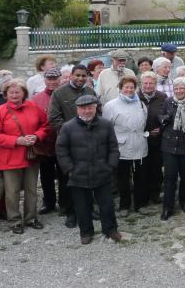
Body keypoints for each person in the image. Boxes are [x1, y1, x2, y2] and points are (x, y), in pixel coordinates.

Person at [55, 94, 121, 244]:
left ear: (96, 108)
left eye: (90, 108)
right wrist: (70, 169)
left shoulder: (106, 124)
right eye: (83, 108)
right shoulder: (68, 127)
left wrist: (110, 166)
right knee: (82, 206)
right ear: (78, 110)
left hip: (102, 172)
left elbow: (113, 148)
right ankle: (86, 232)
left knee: (107, 205)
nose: (87, 111)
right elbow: (61, 150)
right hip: (78, 175)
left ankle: (110, 230)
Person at [0, 78, 50, 234]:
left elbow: (45, 126)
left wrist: (37, 136)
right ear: (6, 94)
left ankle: (31, 217)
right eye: (11, 92)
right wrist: (17, 140)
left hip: (31, 155)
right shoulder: (0, 110)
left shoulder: (33, 106)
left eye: (18, 92)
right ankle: (14, 220)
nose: (14, 95)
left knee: (31, 189)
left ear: (24, 93)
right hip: (10, 156)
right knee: (12, 191)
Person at [48, 64, 97, 228]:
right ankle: (70, 211)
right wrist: (74, 133)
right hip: (68, 144)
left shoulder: (90, 92)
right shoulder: (59, 93)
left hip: (89, 143)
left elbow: (99, 112)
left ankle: (88, 208)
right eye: (77, 75)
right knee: (67, 179)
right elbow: (54, 119)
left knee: (88, 176)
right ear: (70, 76)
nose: (80, 79)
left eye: (84, 76)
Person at [103, 75, 149, 216]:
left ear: (135, 88)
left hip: (139, 144)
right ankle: (124, 205)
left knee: (141, 177)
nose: (129, 90)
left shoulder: (141, 103)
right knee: (122, 178)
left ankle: (140, 204)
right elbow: (106, 127)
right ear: (121, 88)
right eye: (126, 87)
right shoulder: (111, 105)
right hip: (121, 146)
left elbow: (144, 121)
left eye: (132, 87)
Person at [159, 78, 185, 220]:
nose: (179, 91)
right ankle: (167, 207)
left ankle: (184, 201)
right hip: (169, 145)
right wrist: (164, 118)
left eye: (182, 88)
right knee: (170, 178)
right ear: (173, 90)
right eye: (176, 89)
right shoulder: (168, 101)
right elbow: (161, 116)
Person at [30, 67, 62, 215]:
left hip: (63, 142)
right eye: (49, 79)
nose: (52, 82)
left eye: (55, 79)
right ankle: (48, 202)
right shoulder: (36, 99)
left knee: (64, 174)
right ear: (45, 80)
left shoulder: (65, 94)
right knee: (46, 175)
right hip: (45, 143)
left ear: (60, 79)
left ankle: (64, 201)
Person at [137, 71, 167, 204]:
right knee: (142, 169)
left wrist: (161, 128)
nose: (148, 86)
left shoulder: (162, 97)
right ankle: (143, 195)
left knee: (156, 167)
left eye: (151, 83)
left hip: (157, 139)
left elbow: (167, 115)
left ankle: (155, 193)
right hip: (140, 139)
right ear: (141, 84)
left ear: (156, 84)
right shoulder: (135, 97)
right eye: (145, 83)